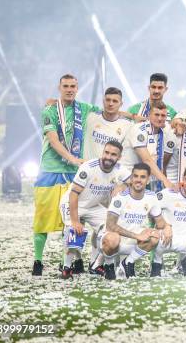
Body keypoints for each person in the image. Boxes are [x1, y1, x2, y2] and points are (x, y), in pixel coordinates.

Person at [33, 74, 101, 276]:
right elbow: (53, 140)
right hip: (50, 171)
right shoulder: (50, 110)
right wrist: (72, 158)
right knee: (43, 218)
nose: (70, 89)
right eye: (66, 86)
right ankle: (38, 261)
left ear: (77, 88)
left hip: (74, 174)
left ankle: (74, 261)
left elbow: (109, 113)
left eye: (73, 86)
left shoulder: (84, 109)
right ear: (59, 87)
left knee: (74, 220)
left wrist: (132, 117)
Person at [59, 141, 131, 278]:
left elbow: (132, 182)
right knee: (73, 230)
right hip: (73, 203)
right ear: (103, 152)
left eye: (113, 154)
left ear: (119, 157)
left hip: (93, 206)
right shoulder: (88, 167)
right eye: (106, 152)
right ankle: (67, 267)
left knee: (110, 227)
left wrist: (121, 187)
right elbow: (74, 194)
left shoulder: (120, 170)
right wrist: (75, 221)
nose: (108, 157)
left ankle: (95, 264)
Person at [100, 163, 172, 280]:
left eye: (142, 177)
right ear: (131, 178)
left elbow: (160, 223)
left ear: (148, 180)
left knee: (155, 236)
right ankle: (108, 265)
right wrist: (136, 235)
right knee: (113, 239)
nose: (138, 180)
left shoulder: (151, 197)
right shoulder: (120, 197)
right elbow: (110, 225)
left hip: (135, 243)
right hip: (113, 241)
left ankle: (128, 263)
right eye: (136, 176)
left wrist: (168, 227)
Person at [120, 101, 175, 191]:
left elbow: (177, 123)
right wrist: (166, 181)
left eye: (163, 115)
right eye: (156, 115)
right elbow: (147, 160)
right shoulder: (139, 129)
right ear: (149, 115)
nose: (160, 118)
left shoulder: (164, 130)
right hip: (126, 178)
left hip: (145, 180)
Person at [83, 87, 132, 160]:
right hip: (88, 169)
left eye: (115, 101)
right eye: (108, 100)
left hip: (110, 169)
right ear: (103, 101)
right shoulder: (90, 117)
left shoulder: (128, 126)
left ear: (121, 104)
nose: (110, 104)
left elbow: (125, 154)